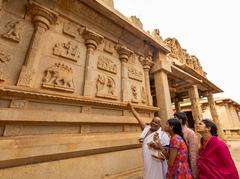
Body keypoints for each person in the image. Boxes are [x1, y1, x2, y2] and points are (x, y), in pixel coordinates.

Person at [128, 102, 170, 179]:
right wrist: (132, 109)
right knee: (148, 174)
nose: (154, 123)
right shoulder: (146, 129)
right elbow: (138, 118)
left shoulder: (163, 135)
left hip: (157, 160)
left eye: (157, 123)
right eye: (153, 121)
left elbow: (167, 150)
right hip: (147, 158)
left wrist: (157, 146)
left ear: (160, 125)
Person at [174, 112, 198, 178]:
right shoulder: (176, 132)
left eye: (175, 118)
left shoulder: (190, 133)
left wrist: (194, 171)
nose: (173, 120)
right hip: (177, 165)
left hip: (187, 164)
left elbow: (193, 152)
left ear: (180, 120)